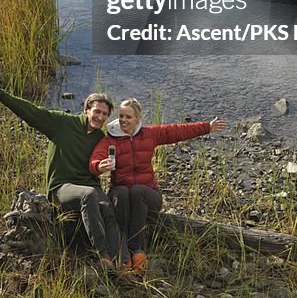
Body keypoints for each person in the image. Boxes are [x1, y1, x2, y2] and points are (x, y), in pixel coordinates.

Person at [0, 75, 129, 267]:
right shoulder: (62, 123)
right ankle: (104, 257)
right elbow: (32, 112)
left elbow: (100, 163)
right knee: (89, 194)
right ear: (86, 110)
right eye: (96, 112)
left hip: (87, 186)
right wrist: (0, 95)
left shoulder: (100, 137)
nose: (100, 117)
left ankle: (124, 261)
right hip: (61, 188)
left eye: (104, 114)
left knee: (108, 206)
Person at [88, 98, 228, 273]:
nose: (123, 120)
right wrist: (99, 166)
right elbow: (96, 158)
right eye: (121, 116)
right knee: (122, 192)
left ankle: (136, 249)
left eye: (128, 117)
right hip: (121, 195)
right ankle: (122, 249)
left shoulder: (149, 134)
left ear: (138, 119)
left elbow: (177, 131)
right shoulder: (111, 139)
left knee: (138, 191)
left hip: (149, 195)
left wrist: (207, 127)